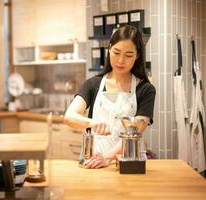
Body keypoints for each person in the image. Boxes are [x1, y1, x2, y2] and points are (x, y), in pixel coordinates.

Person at [64, 25, 156, 169]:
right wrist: (92, 123)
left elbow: (136, 130)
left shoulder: (145, 89)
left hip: (127, 164)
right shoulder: (93, 84)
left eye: (128, 55)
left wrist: (107, 158)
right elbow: (69, 117)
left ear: (137, 55)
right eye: (117, 52)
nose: (120, 60)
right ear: (109, 49)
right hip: (93, 163)